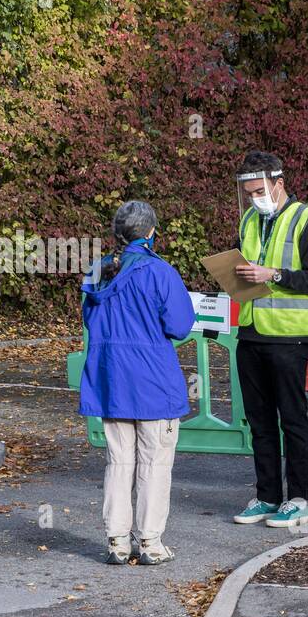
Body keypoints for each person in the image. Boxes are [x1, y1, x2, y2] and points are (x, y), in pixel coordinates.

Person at [79, 201, 195, 565]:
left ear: (117, 235)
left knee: (119, 462)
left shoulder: (98, 272)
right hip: (153, 382)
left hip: (111, 380)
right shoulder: (160, 272)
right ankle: (150, 542)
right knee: (155, 463)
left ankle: (117, 540)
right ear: (151, 233)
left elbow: (88, 318)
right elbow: (179, 325)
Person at [231, 152, 308, 528]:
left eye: (259, 190)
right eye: (248, 192)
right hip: (251, 331)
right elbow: (248, 273)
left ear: (278, 183)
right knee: (259, 422)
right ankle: (268, 496)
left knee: (292, 420)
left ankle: (299, 498)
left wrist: (272, 274)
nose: (254, 198)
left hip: (290, 337)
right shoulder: (249, 220)